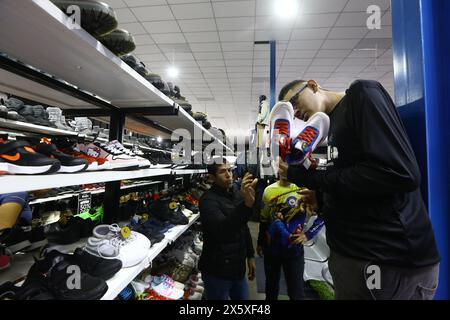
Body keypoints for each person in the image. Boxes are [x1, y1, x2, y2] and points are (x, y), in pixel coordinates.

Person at [277, 79, 440, 300]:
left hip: (384, 262)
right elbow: (359, 182)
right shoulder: (331, 127)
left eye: (294, 102)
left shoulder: (361, 94)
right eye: (290, 111)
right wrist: (323, 198)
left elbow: (397, 173)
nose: (295, 112)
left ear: (313, 85)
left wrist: (311, 178)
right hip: (357, 258)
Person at [199, 157, 258, 300]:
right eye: (222, 172)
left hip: (237, 269)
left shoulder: (236, 194)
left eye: (230, 170)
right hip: (217, 272)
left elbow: (243, 228)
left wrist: (250, 255)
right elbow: (222, 231)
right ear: (212, 177)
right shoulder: (207, 200)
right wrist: (246, 206)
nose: (229, 175)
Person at [257, 179, 324, 300]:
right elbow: (264, 219)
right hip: (272, 250)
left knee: (296, 293)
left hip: (294, 252)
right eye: (281, 161)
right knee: (271, 290)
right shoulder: (269, 190)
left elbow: (322, 216)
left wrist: (308, 235)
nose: (284, 166)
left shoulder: (303, 190)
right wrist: (260, 242)